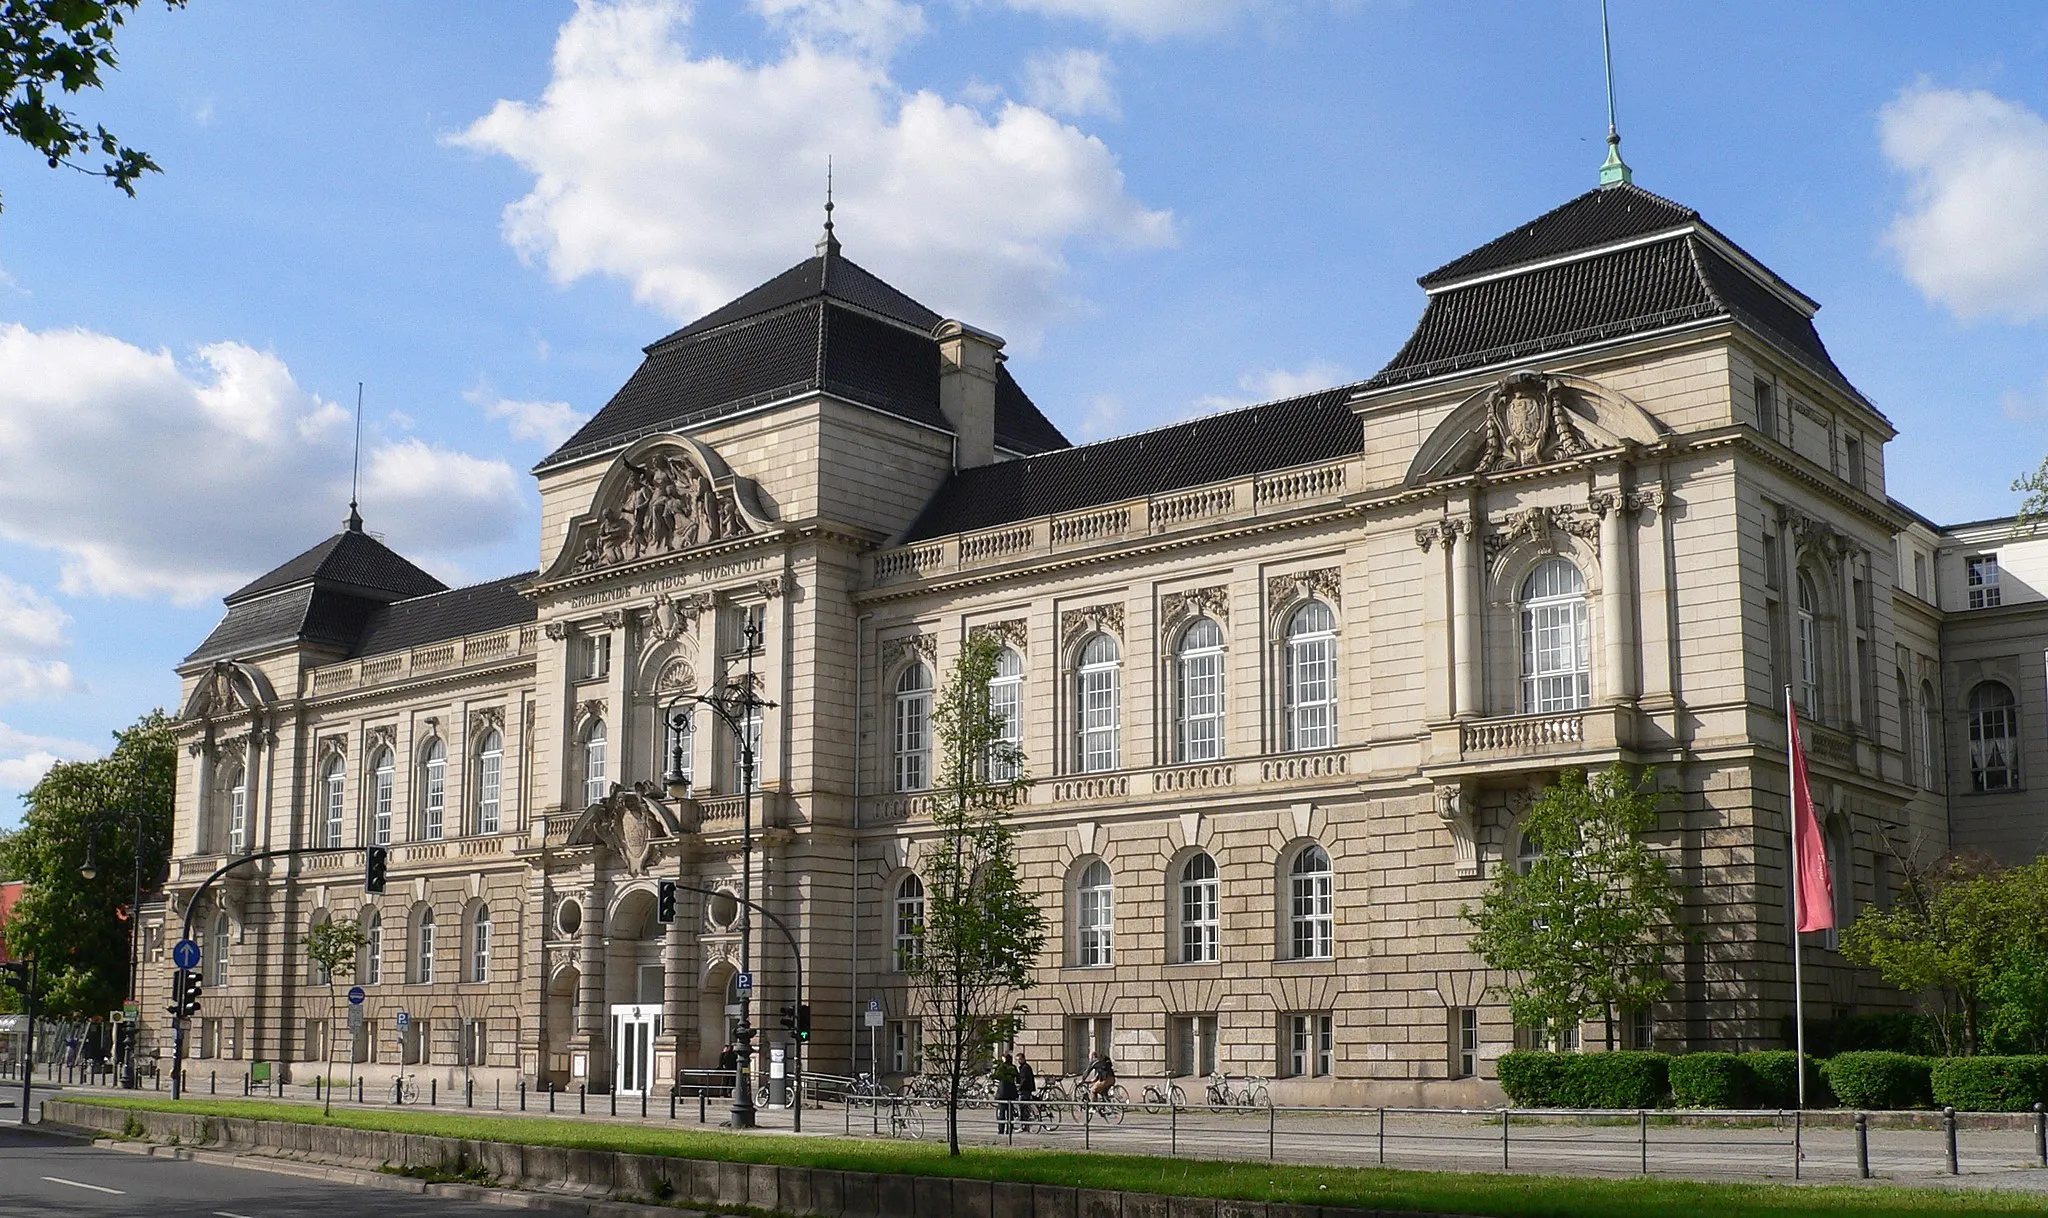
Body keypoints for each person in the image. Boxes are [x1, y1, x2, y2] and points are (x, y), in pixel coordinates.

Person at [991, 1052, 1019, 1134]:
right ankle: (1009, 1130)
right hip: (1011, 1093)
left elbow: (996, 1076)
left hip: (1002, 1093)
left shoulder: (1001, 1067)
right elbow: (1018, 1078)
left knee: (1001, 1113)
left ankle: (1001, 1129)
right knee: (1010, 1113)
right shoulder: (1013, 1067)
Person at [1015, 1050, 1037, 1131]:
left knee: (1022, 1107)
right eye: (1017, 1060)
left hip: (1025, 1090)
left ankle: (1023, 1125)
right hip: (1027, 1089)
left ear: (1024, 1059)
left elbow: (1024, 1080)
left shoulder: (1025, 1068)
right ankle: (1026, 1125)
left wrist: (1019, 1087)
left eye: (1020, 1059)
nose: (1018, 1061)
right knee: (1025, 1107)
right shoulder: (1025, 1067)